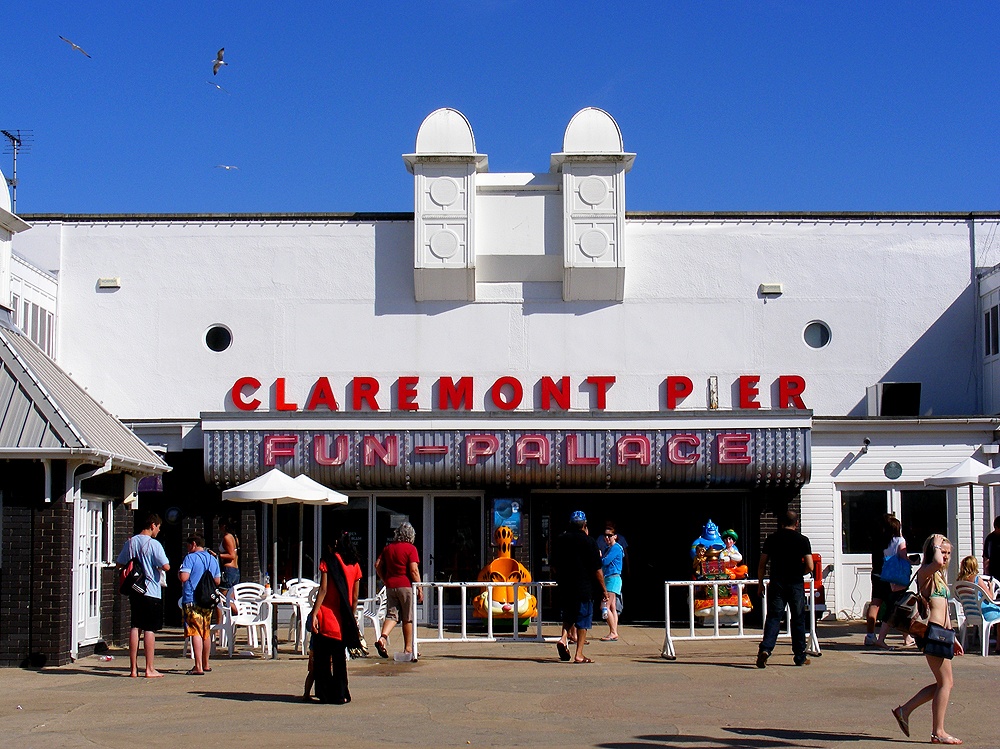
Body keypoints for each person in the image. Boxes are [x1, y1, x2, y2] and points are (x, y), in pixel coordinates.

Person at [892, 534, 964, 745]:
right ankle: (937, 732)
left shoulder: (940, 578)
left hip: (942, 634)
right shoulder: (926, 573)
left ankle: (904, 710)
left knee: (945, 683)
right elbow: (937, 563)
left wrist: (954, 637)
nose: (946, 556)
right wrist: (934, 544)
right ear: (932, 552)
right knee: (946, 683)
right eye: (943, 551)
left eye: (949, 552)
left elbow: (945, 610)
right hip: (931, 633)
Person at [115, 512, 171, 678]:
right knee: (149, 629)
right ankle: (149, 668)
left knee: (135, 626)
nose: (158, 531)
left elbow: (120, 563)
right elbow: (166, 566)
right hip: (151, 590)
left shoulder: (130, 542)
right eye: (158, 528)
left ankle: (133, 669)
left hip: (135, 590)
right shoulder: (154, 544)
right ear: (153, 525)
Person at [309, 532, 362, 704]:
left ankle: (324, 694)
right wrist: (351, 616)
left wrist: (315, 612)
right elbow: (354, 597)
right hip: (342, 618)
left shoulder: (328, 561)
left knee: (323, 659)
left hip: (326, 615)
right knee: (339, 660)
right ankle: (341, 693)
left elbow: (323, 590)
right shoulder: (355, 565)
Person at [756, 509, 813, 668]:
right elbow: (810, 566)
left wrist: (760, 584)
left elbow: (762, 564)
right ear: (797, 523)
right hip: (795, 583)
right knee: (798, 618)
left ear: (780, 523)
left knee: (774, 617)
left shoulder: (771, 539)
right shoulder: (803, 540)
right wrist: (799, 571)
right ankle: (799, 656)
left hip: (777, 583)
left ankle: (766, 649)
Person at [551, 510, 608, 664]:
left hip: (565, 586)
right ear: (584, 525)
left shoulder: (560, 539)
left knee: (568, 614)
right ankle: (579, 654)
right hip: (584, 587)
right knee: (583, 619)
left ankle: (563, 639)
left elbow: (554, 566)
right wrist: (604, 590)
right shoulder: (590, 542)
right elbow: (597, 570)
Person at [374, 521, 423, 659]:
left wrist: (385, 578)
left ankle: (382, 638)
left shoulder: (388, 548)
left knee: (392, 615)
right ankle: (408, 648)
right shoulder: (411, 549)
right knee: (408, 617)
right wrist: (419, 588)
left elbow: (377, 565)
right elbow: (413, 570)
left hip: (391, 585)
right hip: (406, 585)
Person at [177, 534, 221, 675]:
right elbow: (218, 580)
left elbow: (184, 577)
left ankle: (198, 666)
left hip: (192, 598)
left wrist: (179, 572)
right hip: (207, 600)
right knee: (205, 632)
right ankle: (206, 663)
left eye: (188, 545)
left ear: (194, 544)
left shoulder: (190, 558)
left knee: (195, 631)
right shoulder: (212, 558)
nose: (187, 548)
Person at [874, 516, 915, 649]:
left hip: (888, 574)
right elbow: (903, 557)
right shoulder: (900, 540)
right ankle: (881, 638)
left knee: (897, 606)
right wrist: (913, 561)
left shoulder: (884, 542)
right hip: (899, 576)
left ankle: (906, 637)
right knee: (896, 607)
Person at [957, 554, 1000, 648]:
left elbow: (957, 598)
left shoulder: (959, 582)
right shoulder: (976, 579)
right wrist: (991, 586)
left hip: (970, 613)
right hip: (984, 613)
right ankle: (998, 645)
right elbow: (991, 598)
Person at [864, 514, 894, 646]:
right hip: (889, 575)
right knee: (895, 606)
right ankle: (905, 636)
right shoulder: (892, 541)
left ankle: (870, 635)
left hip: (876, 573)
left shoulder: (875, 539)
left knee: (875, 604)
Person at [599, 526, 624, 642]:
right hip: (610, 578)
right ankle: (614, 631)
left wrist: (599, 557)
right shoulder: (610, 548)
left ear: (615, 536)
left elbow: (605, 561)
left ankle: (613, 632)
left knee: (604, 606)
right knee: (613, 607)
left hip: (612, 579)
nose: (607, 538)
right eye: (606, 535)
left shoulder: (615, 548)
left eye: (610, 535)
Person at [217, 517, 240, 590]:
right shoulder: (234, 537)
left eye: (219, 525)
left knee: (225, 595)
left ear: (224, 526)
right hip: (235, 569)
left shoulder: (227, 537)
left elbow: (232, 555)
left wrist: (218, 555)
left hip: (228, 569)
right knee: (232, 596)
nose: (219, 528)